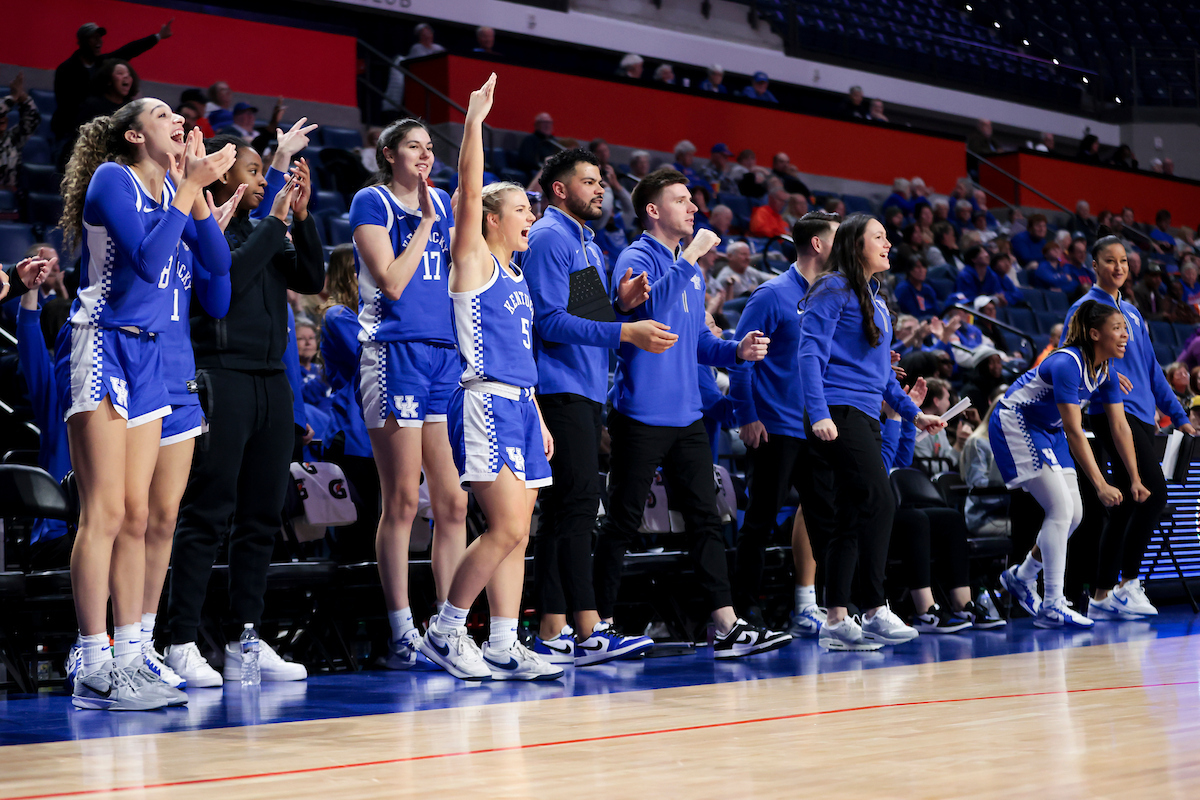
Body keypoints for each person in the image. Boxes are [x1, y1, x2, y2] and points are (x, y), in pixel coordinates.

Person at [55, 101, 235, 710]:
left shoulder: (170, 195)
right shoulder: (114, 180)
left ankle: (133, 655)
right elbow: (150, 262)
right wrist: (187, 186)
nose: (176, 120)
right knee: (104, 513)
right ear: (136, 135)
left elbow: (216, 263)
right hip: (100, 343)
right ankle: (93, 658)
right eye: (163, 115)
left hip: (151, 356)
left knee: (137, 515)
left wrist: (199, 193)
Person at [596, 166, 789, 657]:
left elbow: (696, 340)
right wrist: (693, 258)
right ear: (654, 210)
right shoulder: (634, 257)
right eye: (682, 200)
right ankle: (597, 623)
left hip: (686, 416)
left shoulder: (691, 268)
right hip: (640, 413)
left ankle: (724, 624)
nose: (693, 208)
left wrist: (734, 350)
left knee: (706, 519)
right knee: (622, 519)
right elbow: (646, 314)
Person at [165, 124, 323, 687]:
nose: (262, 181)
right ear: (224, 171)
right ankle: (179, 639)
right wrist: (278, 217)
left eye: (264, 172)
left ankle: (245, 641)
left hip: (271, 382)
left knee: (260, 518)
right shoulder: (210, 225)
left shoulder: (270, 227)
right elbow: (233, 273)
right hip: (221, 376)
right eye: (252, 171)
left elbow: (310, 275)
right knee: (208, 514)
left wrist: (301, 219)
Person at [416, 74, 561, 681]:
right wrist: (474, 123)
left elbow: (522, 353)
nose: (532, 216)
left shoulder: (520, 277)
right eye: (523, 210)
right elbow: (469, 194)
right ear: (493, 221)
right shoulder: (473, 260)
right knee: (502, 526)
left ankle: (504, 640)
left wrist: (542, 417)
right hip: (483, 403)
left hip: (523, 405)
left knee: (518, 535)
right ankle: (446, 630)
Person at [522, 146, 670, 666]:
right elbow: (549, 322)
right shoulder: (547, 237)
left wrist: (621, 307)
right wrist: (624, 326)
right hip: (556, 387)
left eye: (602, 182)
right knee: (573, 508)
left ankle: (562, 629)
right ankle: (574, 630)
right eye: (589, 182)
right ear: (559, 189)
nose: (601, 189)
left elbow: (589, 322)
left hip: (583, 390)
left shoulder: (585, 242)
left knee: (575, 508)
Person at [344, 117, 469, 671]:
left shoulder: (444, 201)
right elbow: (392, 282)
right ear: (389, 152)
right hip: (394, 352)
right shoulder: (372, 202)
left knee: (453, 502)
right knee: (401, 500)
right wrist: (423, 223)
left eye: (429, 147)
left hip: (443, 355)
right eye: (413, 146)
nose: (424, 155)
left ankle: (448, 628)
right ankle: (401, 632)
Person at [799, 214, 945, 650]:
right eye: (878, 237)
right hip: (837, 411)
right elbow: (809, 354)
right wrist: (818, 411)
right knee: (879, 499)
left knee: (850, 514)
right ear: (854, 245)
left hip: (864, 414)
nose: (887, 244)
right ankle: (875, 607)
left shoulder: (875, 300)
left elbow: (882, 376)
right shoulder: (831, 287)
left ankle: (837, 619)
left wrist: (913, 414)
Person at [1060, 235, 1195, 621]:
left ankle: (1102, 594)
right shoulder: (1085, 308)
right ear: (1095, 265)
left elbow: (1152, 370)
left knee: (1125, 504)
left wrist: (1179, 414)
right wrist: (1105, 373)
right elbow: (1073, 353)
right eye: (1109, 260)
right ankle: (1128, 583)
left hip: (1142, 414)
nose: (1118, 267)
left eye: (1123, 261)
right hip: (1111, 414)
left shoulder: (1132, 312)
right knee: (1152, 493)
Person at [995, 300, 1147, 629]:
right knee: (1061, 510)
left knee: (1074, 515)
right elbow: (1074, 429)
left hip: (1047, 430)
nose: (1125, 336)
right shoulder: (1067, 363)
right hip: (1017, 422)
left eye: (1125, 329)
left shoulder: (1106, 371)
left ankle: (1021, 577)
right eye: (1117, 329)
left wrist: (1135, 477)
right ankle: (1052, 602)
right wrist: (1101, 484)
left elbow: (1120, 427)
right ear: (1095, 334)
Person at [731, 211, 840, 638]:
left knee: (827, 522)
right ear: (817, 244)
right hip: (774, 426)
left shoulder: (833, 297)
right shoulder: (771, 294)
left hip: (816, 428)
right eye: (837, 237)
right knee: (758, 522)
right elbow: (742, 358)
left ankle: (831, 611)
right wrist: (747, 415)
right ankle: (745, 613)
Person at [317, 245, 379, 563]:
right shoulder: (337, 315)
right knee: (358, 529)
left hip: (374, 431)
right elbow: (368, 353)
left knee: (378, 524)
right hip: (352, 433)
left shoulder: (362, 316)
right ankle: (350, 607)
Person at [52, 20, 172, 143]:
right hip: (69, 130)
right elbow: (65, 105)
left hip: (96, 123)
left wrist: (158, 36)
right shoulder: (66, 69)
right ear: (82, 41)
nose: (99, 41)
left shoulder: (103, 63)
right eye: (93, 38)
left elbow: (129, 50)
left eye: (99, 37)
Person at [0, 73, 41, 192]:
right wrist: (12, 98)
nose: (2, 118)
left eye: (4, 116)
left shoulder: (12, 138)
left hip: (10, 199)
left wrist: (22, 97)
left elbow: (33, 120)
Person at [76, 60, 139, 127]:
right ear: (108, 79)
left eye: (129, 74)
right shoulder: (92, 105)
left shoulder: (132, 107)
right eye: (120, 73)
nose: (126, 76)